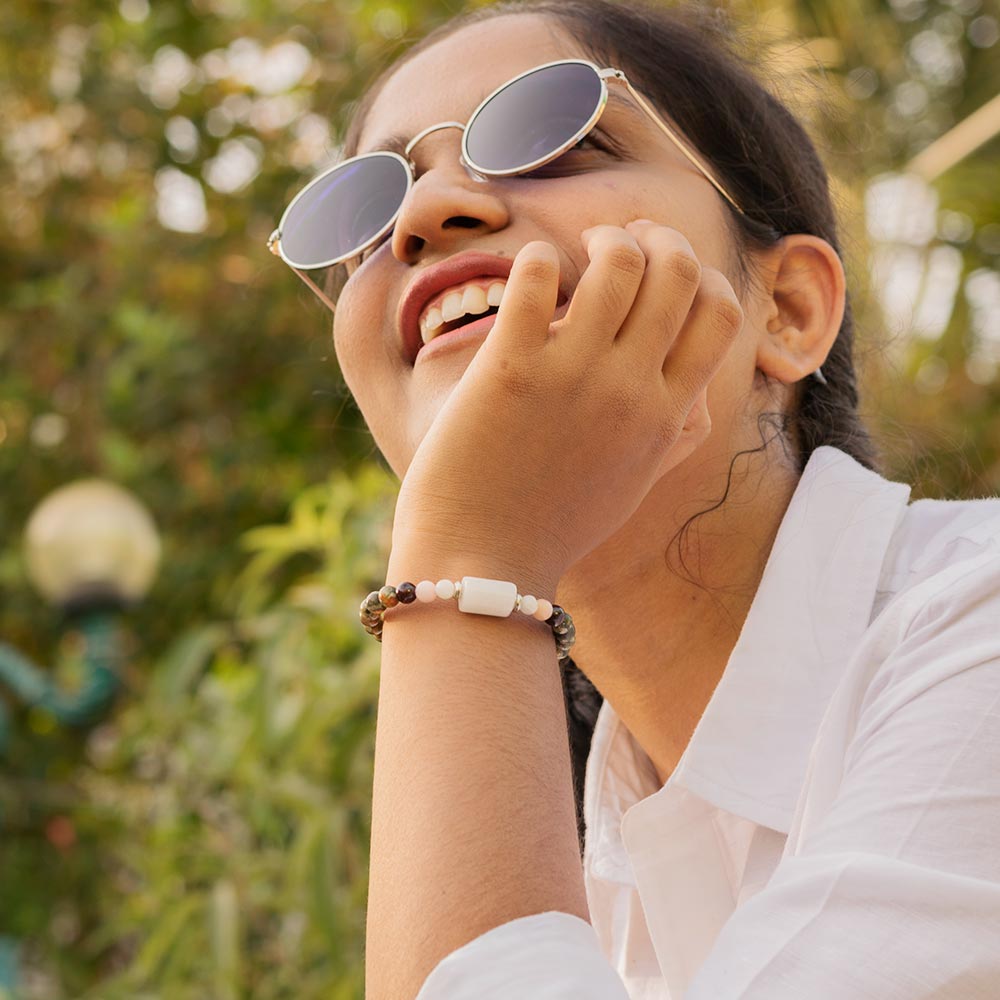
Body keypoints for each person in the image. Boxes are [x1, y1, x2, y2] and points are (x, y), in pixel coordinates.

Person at [268, 1, 1000, 996]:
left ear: (783, 313)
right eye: (362, 207)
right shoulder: (589, 881)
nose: (424, 214)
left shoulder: (979, 624)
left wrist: (464, 556)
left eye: (552, 134)